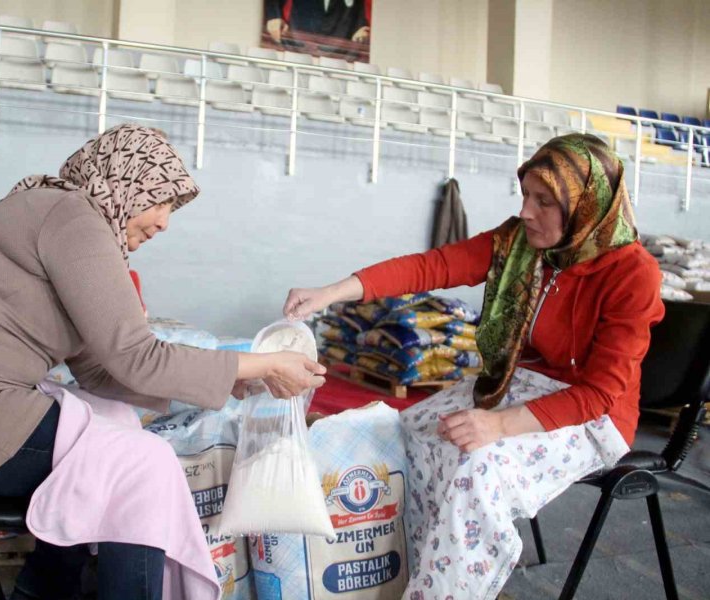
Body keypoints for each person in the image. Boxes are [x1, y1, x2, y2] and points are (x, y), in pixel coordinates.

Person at [0, 124, 326, 600]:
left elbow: (99, 371)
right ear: (125, 183)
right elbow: (137, 357)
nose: (163, 223)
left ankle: (46, 588)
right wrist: (257, 364)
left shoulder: (60, 214)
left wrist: (234, 382)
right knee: (142, 465)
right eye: (158, 201)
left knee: (113, 423)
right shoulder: (73, 218)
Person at [283, 133, 664, 599]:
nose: (526, 211)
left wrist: (498, 425)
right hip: (518, 385)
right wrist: (331, 292)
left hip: (591, 417)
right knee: (406, 432)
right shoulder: (520, 244)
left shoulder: (631, 272)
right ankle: (410, 572)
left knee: (477, 465)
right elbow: (431, 267)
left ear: (587, 205)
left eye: (543, 201)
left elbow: (600, 394)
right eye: (525, 195)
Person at [265, 0, 371, 44]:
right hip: (299, 38)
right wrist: (274, 16)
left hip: (339, 44)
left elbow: (358, 6)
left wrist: (361, 26)